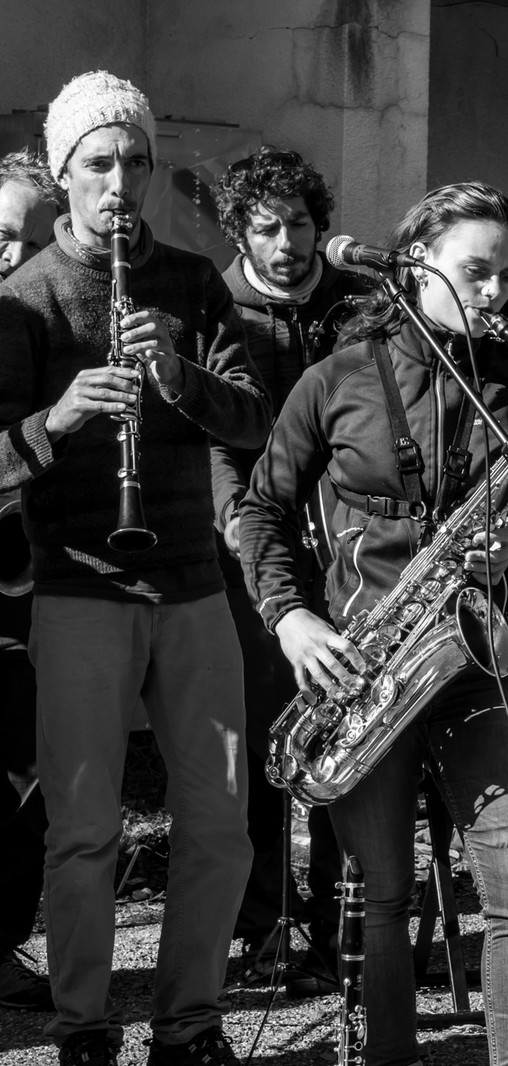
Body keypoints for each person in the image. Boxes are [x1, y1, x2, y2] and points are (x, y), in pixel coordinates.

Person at [238, 180, 508, 1066]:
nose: (497, 294)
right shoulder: (337, 379)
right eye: (477, 272)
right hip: (361, 667)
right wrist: (291, 621)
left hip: (480, 664)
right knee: (383, 896)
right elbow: (261, 511)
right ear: (417, 261)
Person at [0, 70, 270, 1066]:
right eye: (98, 164)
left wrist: (177, 376)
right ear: (64, 174)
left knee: (222, 823)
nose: (119, 181)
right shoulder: (22, 300)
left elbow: (254, 421)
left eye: (134, 162)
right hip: (77, 589)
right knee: (83, 832)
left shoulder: (194, 284)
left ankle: (189, 1023)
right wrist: (59, 418)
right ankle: (82, 1025)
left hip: (194, 582)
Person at [210, 145, 367, 987]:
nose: (285, 242)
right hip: (251, 549)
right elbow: (220, 455)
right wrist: (255, 557)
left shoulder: (359, 302)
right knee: (268, 744)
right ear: (240, 230)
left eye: (299, 223)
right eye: (266, 227)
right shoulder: (217, 303)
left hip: (349, 550)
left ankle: (344, 918)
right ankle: (266, 924)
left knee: (349, 736)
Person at [0, 149, 63, 1016]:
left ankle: (2, 943)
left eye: (25, 240)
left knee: (24, 780)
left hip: (29, 586)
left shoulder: (48, 323)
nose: (9, 255)